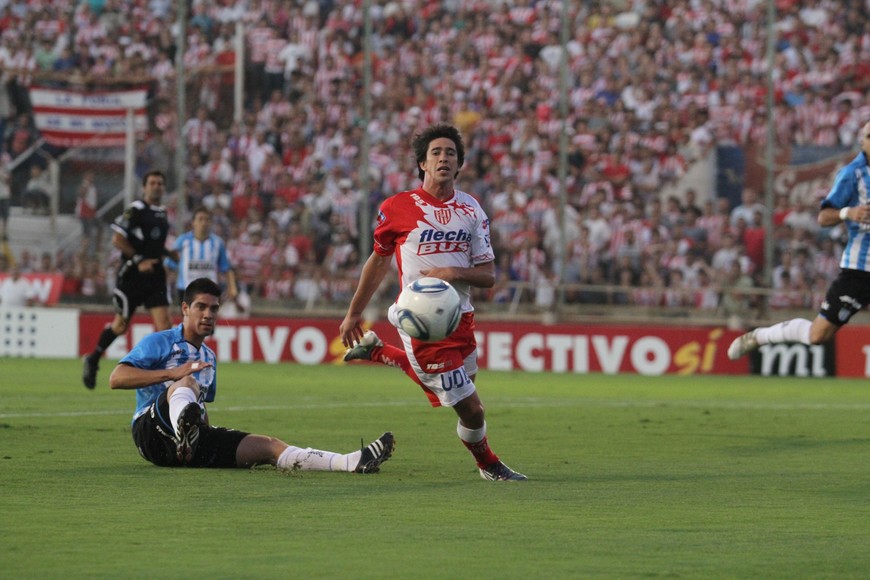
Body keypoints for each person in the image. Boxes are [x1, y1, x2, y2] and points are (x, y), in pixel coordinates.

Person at [339, 124, 527, 482]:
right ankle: (489, 465)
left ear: (459, 166)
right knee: (471, 410)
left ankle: (379, 352)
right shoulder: (397, 208)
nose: (443, 158)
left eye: (451, 153)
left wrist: (452, 272)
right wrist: (354, 313)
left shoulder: (471, 210)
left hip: (461, 319)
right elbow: (378, 262)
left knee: (455, 388)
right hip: (420, 322)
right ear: (422, 164)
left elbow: (488, 275)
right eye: (436, 153)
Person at [109, 277, 395, 471]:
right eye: (201, 307)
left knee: (267, 446)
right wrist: (173, 374)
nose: (208, 314)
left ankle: (349, 462)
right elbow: (117, 378)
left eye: (214, 309)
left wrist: (207, 435)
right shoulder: (159, 342)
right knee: (185, 383)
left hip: (186, 449)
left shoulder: (208, 358)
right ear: (185, 309)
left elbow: (201, 409)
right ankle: (184, 433)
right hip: (151, 436)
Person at [728, 120, 870, 360]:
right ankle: (760, 336)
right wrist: (849, 212)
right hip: (860, 269)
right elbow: (824, 216)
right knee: (818, 334)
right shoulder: (852, 174)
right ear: (862, 142)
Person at [82, 170, 179, 390]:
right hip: (132, 275)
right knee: (121, 325)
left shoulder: (163, 213)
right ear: (144, 187)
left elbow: (150, 243)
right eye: (152, 182)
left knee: (164, 324)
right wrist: (138, 259)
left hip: (155, 275)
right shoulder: (135, 210)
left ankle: (166, 376)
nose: (156, 186)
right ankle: (93, 358)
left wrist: (167, 253)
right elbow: (118, 239)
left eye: (160, 183)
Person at [165, 205, 239, 308]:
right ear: (193, 222)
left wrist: (232, 288)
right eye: (200, 219)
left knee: (207, 321)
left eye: (207, 220)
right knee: (189, 322)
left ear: (211, 223)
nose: (204, 223)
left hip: (210, 290)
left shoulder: (218, 243)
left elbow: (226, 268)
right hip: (186, 289)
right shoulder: (182, 241)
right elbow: (168, 265)